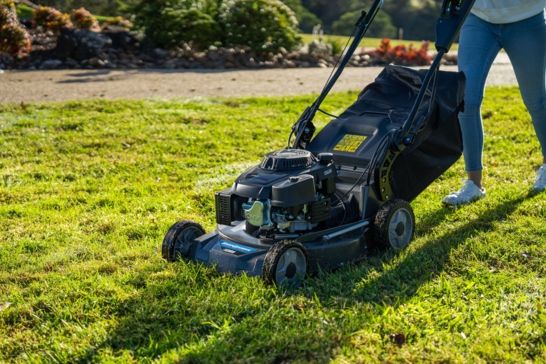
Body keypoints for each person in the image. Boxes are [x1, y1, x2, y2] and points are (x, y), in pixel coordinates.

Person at [443, 0, 546, 206]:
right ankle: (473, 183)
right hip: (479, 18)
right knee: (466, 100)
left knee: (536, 100)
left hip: (527, 18)